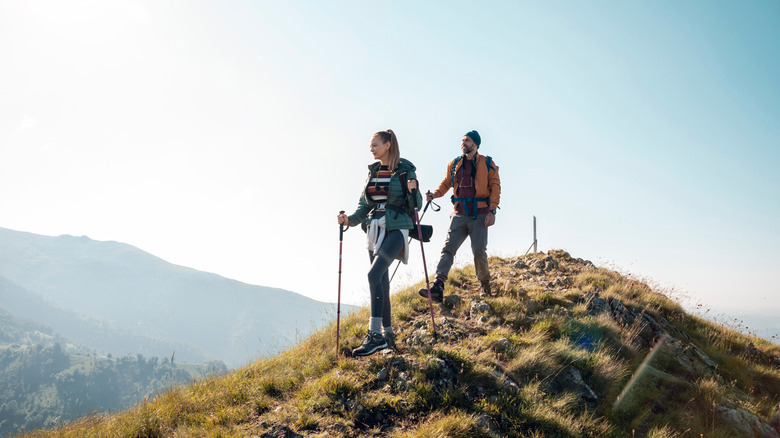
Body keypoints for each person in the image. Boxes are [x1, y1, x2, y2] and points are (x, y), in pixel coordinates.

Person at [337, 129, 422, 357]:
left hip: (396, 228)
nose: (371, 149)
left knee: (373, 275)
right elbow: (364, 206)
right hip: (374, 229)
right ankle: (388, 336)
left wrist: (414, 191)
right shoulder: (373, 172)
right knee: (382, 283)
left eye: (375, 145)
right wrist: (349, 220)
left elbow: (417, 203)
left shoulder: (405, 169)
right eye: (371, 145)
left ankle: (374, 336)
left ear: (388, 145)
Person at [419, 130, 501, 301]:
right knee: (448, 249)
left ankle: (485, 285)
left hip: (480, 214)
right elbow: (446, 182)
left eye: (467, 141)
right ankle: (438, 285)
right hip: (458, 213)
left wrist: (492, 211)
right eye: (462, 140)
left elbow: (495, 187)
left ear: (476, 144)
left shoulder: (487, 163)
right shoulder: (455, 163)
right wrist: (435, 194)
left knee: (479, 251)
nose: (463, 143)